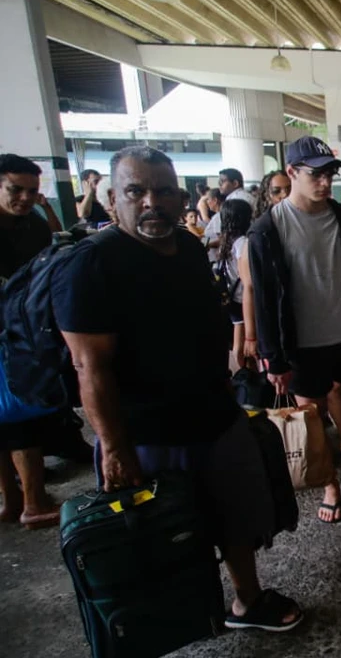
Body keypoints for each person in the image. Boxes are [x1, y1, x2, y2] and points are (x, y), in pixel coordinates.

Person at [53, 145, 303, 631]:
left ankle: (246, 603)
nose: (152, 202)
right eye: (136, 191)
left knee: (235, 517)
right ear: (112, 199)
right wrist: (115, 447)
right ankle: (171, 617)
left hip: (211, 414)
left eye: (164, 191)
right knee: (162, 532)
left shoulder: (188, 247)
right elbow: (90, 367)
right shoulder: (89, 265)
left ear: (180, 196)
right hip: (145, 434)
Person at [247, 136, 341, 524]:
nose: (326, 183)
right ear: (292, 173)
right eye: (317, 175)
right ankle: (331, 484)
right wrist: (273, 356)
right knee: (312, 422)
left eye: (331, 174)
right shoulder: (268, 228)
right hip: (303, 345)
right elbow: (264, 298)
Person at [0, 155, 62, 529]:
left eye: (32, 192)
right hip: (12, 336)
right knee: (18, 417)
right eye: (15, 189)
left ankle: (20, 501)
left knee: (17, 414)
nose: (24, 198)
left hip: (22, 331)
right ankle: (28, 503)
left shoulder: (33, 226)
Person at [216, 199, 254, 369]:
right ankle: (245, 375)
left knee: (238, 340)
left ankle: (243, 372)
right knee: (243, 342)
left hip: (230, 296)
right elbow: (246, 279)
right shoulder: (243, 243)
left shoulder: (225, 240)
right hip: (241, 299)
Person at [202, 189, 227, 263]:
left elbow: (222, 240)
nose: (207, 202)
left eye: (208, 199)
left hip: (216, 258)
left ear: (215, 200)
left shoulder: (218, 217)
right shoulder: (218, 216)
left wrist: (206, 245)